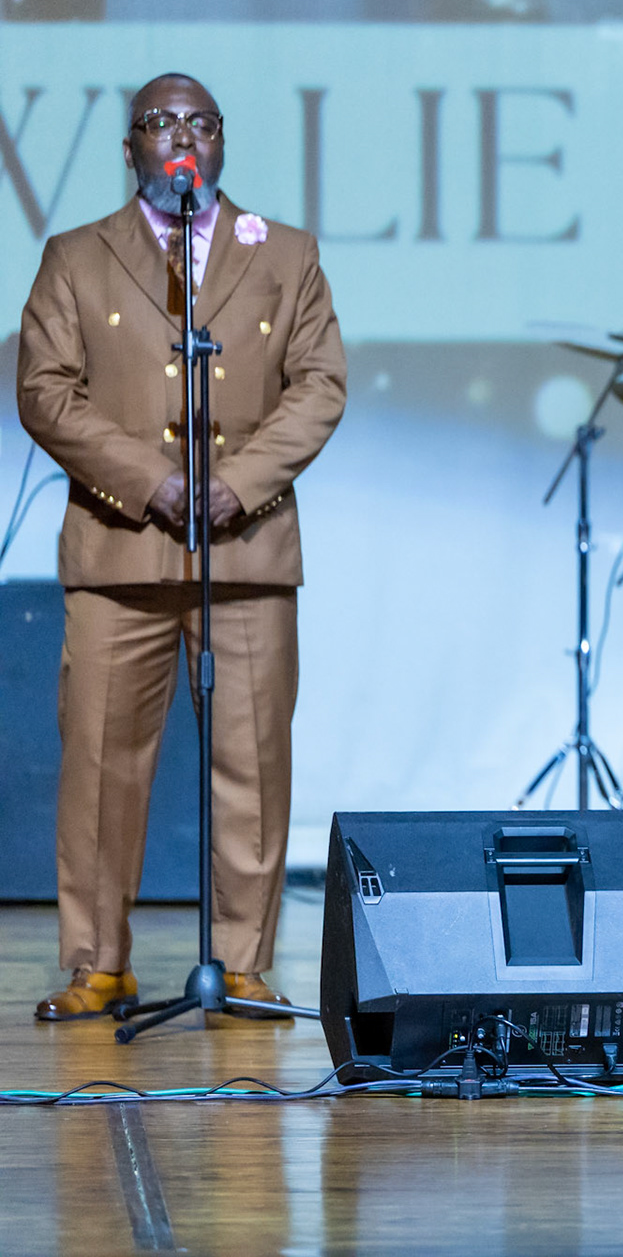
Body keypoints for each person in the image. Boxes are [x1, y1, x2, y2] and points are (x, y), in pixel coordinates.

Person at [16, 72, 347, 1021]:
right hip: (119, 548)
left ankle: (242, 965)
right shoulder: (76, 257)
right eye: (160, 122)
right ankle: (99, 964)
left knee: (253, 765)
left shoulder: (285, 254)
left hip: (245, 551)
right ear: (130, 149)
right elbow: (44, 389)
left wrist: (237, 485)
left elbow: (320, 384)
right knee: (101, 766)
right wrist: (150, 481)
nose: (182, 136)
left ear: (221, 143)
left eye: (200, 122)